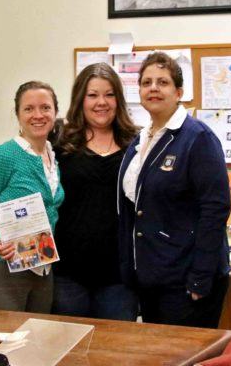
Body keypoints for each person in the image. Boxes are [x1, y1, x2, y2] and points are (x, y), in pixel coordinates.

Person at [117, 52, 231, 328]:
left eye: (163, 82)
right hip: (152, 277)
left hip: (187, 279)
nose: (153, 88)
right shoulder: (141, 140)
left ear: (179, 92)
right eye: (146, 82)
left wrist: (200, 276)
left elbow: (215, 209)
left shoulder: (197, 138)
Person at [0, 81, 65, 313]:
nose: (38, 115)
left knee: (36, 347)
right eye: (29, 109)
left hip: (41, 269)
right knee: (5, 347)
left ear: (55, 112)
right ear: (18, 115)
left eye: (45, 108)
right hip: (1, 271)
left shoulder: (52, 155)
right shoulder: (5, 155)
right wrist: (0, 237)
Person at [52, 63, 139, 321]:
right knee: (69, 354)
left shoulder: (136, 145)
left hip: (119, 277)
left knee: (116, 354)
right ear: (80, 99)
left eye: (109, 94)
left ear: (119, 100)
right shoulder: (59, 143)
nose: (102, 102)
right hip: (67, 274)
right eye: (93, 95)